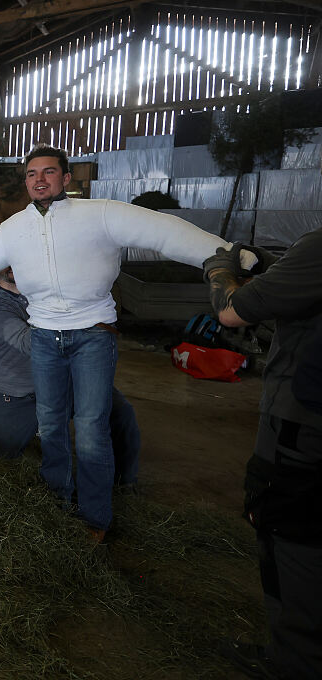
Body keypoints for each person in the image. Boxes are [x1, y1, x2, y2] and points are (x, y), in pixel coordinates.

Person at [0, 145, 251, 541]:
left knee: (93, 428)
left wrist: (231, 257)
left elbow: (164, 232)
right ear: (25, 182)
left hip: (93, 335)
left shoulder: (101, 214)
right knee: (51, 424)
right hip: (43, 337)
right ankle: (57, 501)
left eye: (48, 172)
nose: (39, 179)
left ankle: (95, 518)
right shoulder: (12, 229)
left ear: (65, 179)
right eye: (31, 174)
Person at [204, 229, 322, 679]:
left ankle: (295, 661)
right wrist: (278, 267)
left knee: (289, 540)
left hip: (302, 429)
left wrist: (219, 271)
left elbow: (230, 312)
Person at [0, 267, 141, 482]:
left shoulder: (52, 291)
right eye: (5, 261)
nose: (11, 266)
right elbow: (26, 341)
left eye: (16, 258)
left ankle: (124, 482)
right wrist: (83, 332)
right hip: (21, 394)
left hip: (68, 380)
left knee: (122, 413)